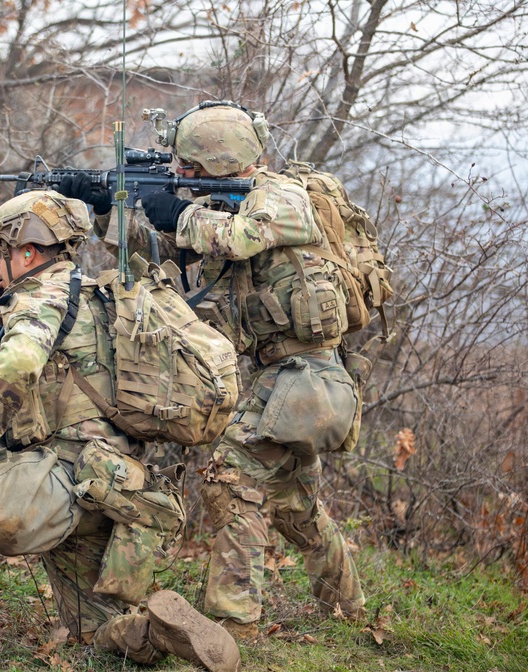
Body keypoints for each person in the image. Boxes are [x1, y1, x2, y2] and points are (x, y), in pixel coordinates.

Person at [0, 190, 240, 671]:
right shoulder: (99, 298)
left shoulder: (42, 299)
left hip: (55, 486)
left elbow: (20, 362)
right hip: (113, 490)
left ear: (26, 251)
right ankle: (153, 633)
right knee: (92, 632)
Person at [58, 100, 365, 638]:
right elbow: (159, 253)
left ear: (215, 162)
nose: (182, 176)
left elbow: (237, 237)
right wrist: (108, 205)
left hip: (311, 378)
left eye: (188, 169)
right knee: (294, 501)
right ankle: (348, 605)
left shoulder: (283, 199)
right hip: (288, 379)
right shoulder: (221, 205)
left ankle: (232, 622)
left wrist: (176, 210)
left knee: (232, 474)